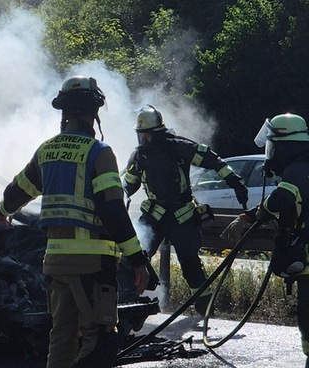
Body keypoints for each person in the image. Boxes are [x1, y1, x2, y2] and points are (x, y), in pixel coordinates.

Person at [0, 76, 150, 368]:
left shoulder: (47, 151)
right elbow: (113, 211)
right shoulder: (99, 153)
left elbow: (17, 192)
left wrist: (3, 210)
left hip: (55, 263)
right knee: (100, 339)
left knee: (62, 337)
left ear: (64, 112)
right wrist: (137, 258)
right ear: (93, 113)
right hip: (92, 264)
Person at [121, 104, 248, 317]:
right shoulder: (139, 156)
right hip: (154, 215)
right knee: (135, 257)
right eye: (139, 135)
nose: (142, 140)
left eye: (145, 135)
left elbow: (212, 160)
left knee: (190, 263)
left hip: (182, 215)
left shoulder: (179, 147)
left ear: (156, 133)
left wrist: (235, 181)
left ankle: (205, 310)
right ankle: (126, 305)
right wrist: (116, 197)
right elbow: (129, 184)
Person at [223, 112, 309, 367]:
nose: (270, 154)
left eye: (273, 146)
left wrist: (249, 218)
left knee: (307, 317)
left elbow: (283, 198)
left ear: (286, 146)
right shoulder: (303, 167)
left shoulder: (297, 171)